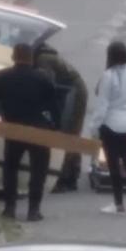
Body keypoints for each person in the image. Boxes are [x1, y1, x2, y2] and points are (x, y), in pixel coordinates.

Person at [0, 43, 59, 222]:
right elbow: (55, 107)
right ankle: (33, 210)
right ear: (32, 58)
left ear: (13, 57)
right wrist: (55, 127)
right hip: (38, 129)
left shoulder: (2, 77)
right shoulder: (43, 79)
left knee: (10, 169)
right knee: (38, 171)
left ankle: (9, 208)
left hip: (13, 128)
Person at [89, 41, 126, 215]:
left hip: (111, 125)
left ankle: (118, 204)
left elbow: (102, 105)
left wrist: (94, 127)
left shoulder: (108, 75)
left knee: (113, 166)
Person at [34, 42, 89, 194]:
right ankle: (72, 175)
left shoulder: (43, 59)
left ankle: (64, 178)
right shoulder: (48, 55)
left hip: (74, 92)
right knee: (73, 133)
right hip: (72, 89)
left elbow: (47, 83)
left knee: (69, 133)